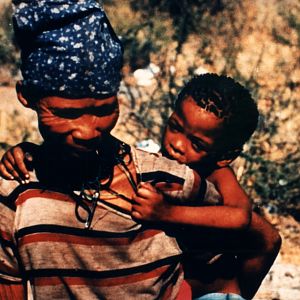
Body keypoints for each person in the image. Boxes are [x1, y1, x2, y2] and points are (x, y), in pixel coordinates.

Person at [0, 1, 221, 299]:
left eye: (104, 110)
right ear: (26, 97)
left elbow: (245, 249)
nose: (88, 131)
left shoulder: (164, 180)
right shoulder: (16, 196)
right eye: (66, 114)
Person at [1, 74, 281, 299]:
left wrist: (167, 213)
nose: (177, 144)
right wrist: (31, 153)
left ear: (224, 156)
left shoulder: (219, 175)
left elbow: (241, 217)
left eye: (196, 144)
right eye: (174, 126)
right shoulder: (150, 165)